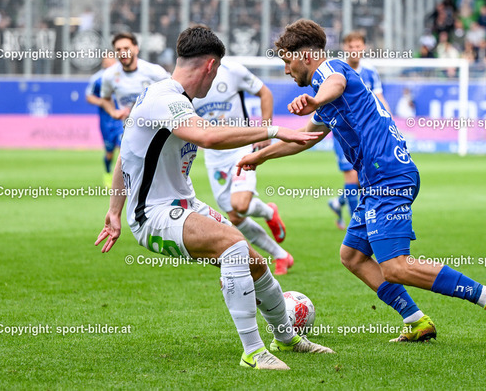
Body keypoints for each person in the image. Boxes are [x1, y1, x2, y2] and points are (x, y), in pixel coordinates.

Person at [237, 19, 486, 344]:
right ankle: (416, 320)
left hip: (388, 175)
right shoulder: (324, 96)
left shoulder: (331, 71)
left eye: (287, 61)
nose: (286, 69)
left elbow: (336, 83)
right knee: (352, 256)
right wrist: (261, 156)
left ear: (306, 56)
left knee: (395, 266)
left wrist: (315, 100)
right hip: (377, 180)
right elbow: (305, 137)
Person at [94, 26, 334, 370]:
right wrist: (273, 129)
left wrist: (114, 211)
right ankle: (253, 352)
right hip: (153, 215)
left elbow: (125, 154)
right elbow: (206, 137)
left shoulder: (160, 94)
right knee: (233, 246)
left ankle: (287, 338)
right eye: (217, 69)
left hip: (183, 205)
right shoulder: (166, 99)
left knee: (254, 262)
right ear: (210, 66)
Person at [193, 55, 294, 275]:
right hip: (214, 156)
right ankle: (281, 255)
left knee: (240, 204)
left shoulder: (232, 70)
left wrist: (265, 130)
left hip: (241, 148)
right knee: (236, 217)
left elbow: (265, 93)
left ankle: (267, 211)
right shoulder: (188, 81)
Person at [327, 32, 391, 230]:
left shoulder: (370, 71)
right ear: (345, 48)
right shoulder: (337, 71)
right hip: (343, 133)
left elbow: (379, 97)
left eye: (358, 46)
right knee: (352, 177)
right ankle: (359, 225)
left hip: (366, 133)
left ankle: (339, 202)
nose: (354, 50)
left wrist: (389, 121)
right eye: (351, 47)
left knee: (365, 178)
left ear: (364, 48)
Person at [99, 32, 169, 186]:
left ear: (136, 49)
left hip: (156, 131)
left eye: (126, 48)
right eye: (118, 50)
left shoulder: (154, 72)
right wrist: (113, 112)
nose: (123, 53)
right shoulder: (110, 75)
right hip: (130, 132)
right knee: (132, 180)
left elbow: (173, 92)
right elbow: (105, 98)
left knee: (160, 178)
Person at [85, 57, 122, 187]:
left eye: (111, 61)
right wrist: (102, 102)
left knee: (124, 150)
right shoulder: (97, 79)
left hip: (122, 121)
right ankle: (107, 173)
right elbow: (89, 97)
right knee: (109, 152)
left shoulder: (123, 76)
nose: (109, 63)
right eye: (106, 61)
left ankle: (125, 178)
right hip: (106, 121)